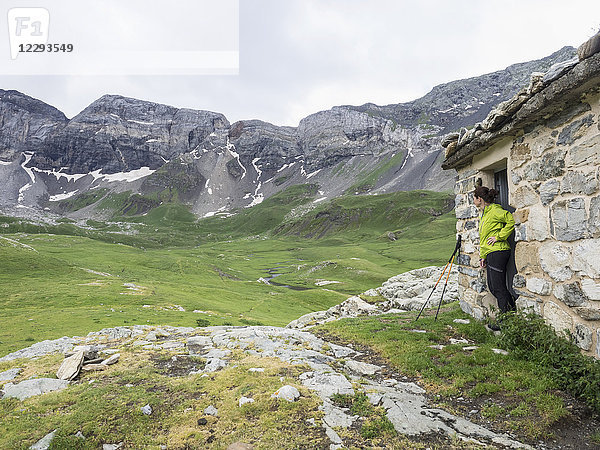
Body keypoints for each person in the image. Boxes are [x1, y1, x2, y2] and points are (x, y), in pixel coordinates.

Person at [473, 186, 516, 326]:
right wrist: (483, 256)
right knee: (493, 287)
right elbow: (484, 238)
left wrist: (499, 236)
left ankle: (506, 321)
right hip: (491, 253)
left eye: (474, 198)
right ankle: (512, 313)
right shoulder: (484, 214)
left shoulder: (495, 210)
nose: (473, 201)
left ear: (480, 199)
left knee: (498, 287)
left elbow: (510, 219)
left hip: (499, 252)